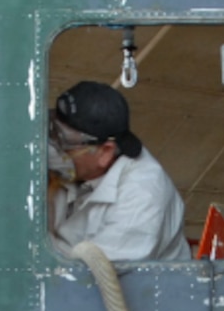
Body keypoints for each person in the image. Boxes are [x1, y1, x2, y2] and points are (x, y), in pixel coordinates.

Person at [48, 81, 187, 262]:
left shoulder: (143, 196)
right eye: (53, 133)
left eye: (64, 142)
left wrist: (38, 244)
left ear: (105, 152)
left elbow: (97, 276)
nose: (53, 149)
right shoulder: (82, 170)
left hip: (137, 288)